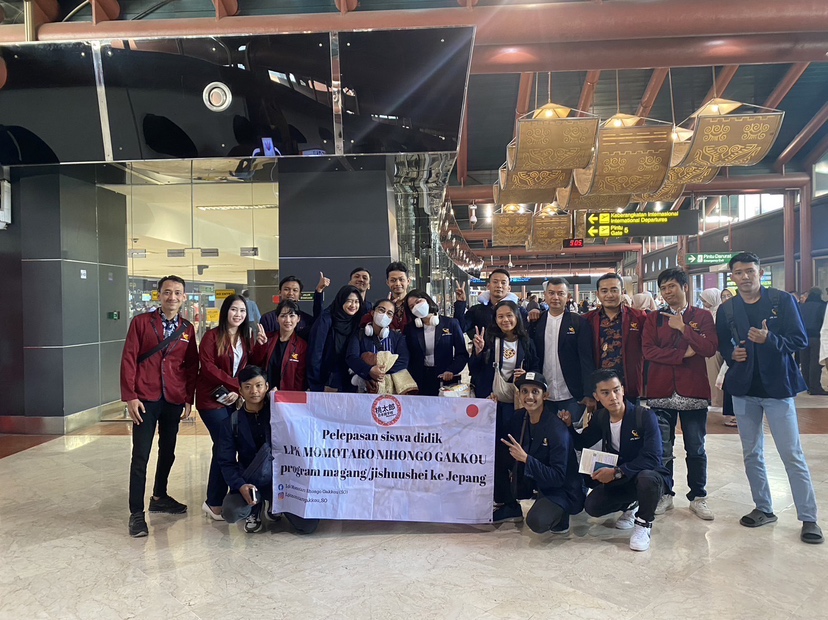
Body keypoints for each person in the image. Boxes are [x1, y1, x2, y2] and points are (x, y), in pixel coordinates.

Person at [716, 252, 822, 544]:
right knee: (752, 453)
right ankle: (763, 507)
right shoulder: (727, 309)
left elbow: (799, 340)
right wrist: (732, 354)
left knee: (791, 453)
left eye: (750, 271)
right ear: (732, 277)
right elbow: (722, 343)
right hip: (744, 390)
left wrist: (770, 339)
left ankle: (809, 517)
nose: (745, 277)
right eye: (739, 272)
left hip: (777, 389)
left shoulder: (781, 301)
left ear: (760, 272)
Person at [120, 275, 199, 537]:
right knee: (140, 455)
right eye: (167, 292)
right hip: (145, 398)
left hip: (173, 398)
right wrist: (130, 396)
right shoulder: (141, 323)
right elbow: (129, 358)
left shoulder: (187, 328)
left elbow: (191, 365)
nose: (172, 297)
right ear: (159, 295)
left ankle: (159, 496)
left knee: (168, 451)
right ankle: (136, 513)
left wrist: (189, 397)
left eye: (177, 293)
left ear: (184, 297)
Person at [560, 370, 671, 552]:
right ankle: (631, 504)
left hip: (648, 475)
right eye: (605, 393)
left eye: (616, 390)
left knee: (647, 478)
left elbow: (652, 457)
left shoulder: (644, 416)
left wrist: (616, 472)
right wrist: (569, 427)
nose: (613, 397)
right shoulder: (601, 417)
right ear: (596, 396)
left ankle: (643, 524)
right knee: (592, 506)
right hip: (622, 478)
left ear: (623, 390)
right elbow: (582, 442)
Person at [643, 267, 718, 520]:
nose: (667, 292)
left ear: (685, 287)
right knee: (663, 449)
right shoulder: (654, 319)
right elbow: (648, 351)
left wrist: (684, 328)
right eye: (663, 288)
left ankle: (698, 497)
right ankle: (665, 494)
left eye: (672, 286)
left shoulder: (702, 316)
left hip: (693, 391)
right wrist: (681, 354)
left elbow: (709, 348)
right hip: (661, 390)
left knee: (695, 448)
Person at [216, 365, 319, 535]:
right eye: (247, 387)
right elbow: (226, 462)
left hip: (281, 480)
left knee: (308, 525)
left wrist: (278, 402)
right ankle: (254, 509)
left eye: (259, 385)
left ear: (267, 387)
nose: (254, 391)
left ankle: (274, 505)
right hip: (250, 480)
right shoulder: (231, 423)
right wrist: (240, 485)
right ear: (240, 391)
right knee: (231, 512)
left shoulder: (282, 414)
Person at [196, 294, 268, 521]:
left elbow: (251, 366)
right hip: (211, 401)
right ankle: (214, 502)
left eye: (242, 311)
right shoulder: (211, 336)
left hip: (233, 399)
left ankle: (227, 495)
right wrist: (236, 385)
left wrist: (261, 346)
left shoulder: (245, 338)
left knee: (226, 446)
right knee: (222, 446)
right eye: (234, 309)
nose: (238, 314)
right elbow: (208, 367)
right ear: (225, 311)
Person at [469, 300, 540, 523]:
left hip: (517, 407)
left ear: (517, 317)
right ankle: (502, 500)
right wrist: (478, 352)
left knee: (513, 450)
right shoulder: (489, 340)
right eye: (500, 316)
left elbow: (537, 369)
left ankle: (515, 497)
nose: (505, 320)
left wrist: (526, 374)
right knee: (495, 452)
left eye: (509, 315)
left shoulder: (526, 342)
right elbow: (475, 370)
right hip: (492, 404)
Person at [498, 372, 585, 533]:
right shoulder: (519, 418)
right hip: (540, 481)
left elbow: (558, 477)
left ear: (545, 396)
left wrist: (526, 459)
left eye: (535, 392)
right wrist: (491, 407)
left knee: (537, 521)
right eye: (524, 391)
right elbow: (500, 439)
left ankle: (562, 514)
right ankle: (510, 506)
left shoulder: (557, 430)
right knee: (497, 456)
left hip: (562, 488)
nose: (529, 396)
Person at [528, 278, 595, 425]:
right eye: (551, 293)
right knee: (546, 433)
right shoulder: (537, 322)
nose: (555, 297)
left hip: (572, 394)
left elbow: (586, 359)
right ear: (545, 295)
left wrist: (589, 393)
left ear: (568, 296)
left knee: (571, 433)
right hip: (544, 393)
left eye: (560, 293)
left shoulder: (578, 322)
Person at [584, 273, 646, 402]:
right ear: (597, 294)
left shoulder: (639, 317)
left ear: (622, 292)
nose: (609, 295)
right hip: (600, 388)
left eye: (614, 290)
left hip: (629, 385)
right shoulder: (587, 319)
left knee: (631, 415)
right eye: (604, 291)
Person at [403, 290, 469, 396]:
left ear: (427, 300)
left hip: (445, 378)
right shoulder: (410, 329)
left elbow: (462, 354)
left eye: (418, 302)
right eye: (411, 307)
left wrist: (451, 370)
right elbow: (407, 356)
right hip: (419, 380)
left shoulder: (451, 323)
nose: (416, 307)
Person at [307, 285, 365, 392]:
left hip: (350, 381)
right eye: (349, 301)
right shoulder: (326, 320)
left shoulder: (357, 321)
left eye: (357, 302)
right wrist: (317, 386)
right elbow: (315, 354)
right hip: (327, 381)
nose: (353, 305)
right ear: (341, 300)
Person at [346, 299, 411, 392]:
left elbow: (404, 360)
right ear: (373, 313)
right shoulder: (359, 335)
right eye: (381, 310)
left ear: (392, 318)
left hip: (390, 389)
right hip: (364, 388)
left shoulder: (398, 338)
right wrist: (369, 371)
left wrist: (381, 374)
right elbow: (351, 357)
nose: (384, 315)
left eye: (389, 313)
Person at [454, 268, 528, 337]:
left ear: (509, 288)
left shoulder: (519, 311)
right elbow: (461, 328)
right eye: (495, 282)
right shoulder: (477, 310)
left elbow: (527, 336)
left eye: (503, 283)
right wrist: (460, 303)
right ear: (488, 286)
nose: (499, 286)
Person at [260, 274, 329, 341]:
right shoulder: (267, 319)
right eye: (286, 289)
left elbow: (319, 322)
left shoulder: (307, 320)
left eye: (295, 290)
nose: (290, 293)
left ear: (300, 295)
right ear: (280, 293)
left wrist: (319, 290)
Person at [265, 300, 308, 392]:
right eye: (283, 316)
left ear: (298, 319)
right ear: (277, 318)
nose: (288, 320)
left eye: (292, 316)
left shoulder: (301, 346)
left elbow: (300, 378)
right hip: (265, 394)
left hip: (288, 396)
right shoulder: (268, 340)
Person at [799, 287, 827, 395]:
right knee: (815, 364)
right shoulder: (822, 306)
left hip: (803, 338)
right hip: (816, 338)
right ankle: (815, 387)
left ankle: (807, 386)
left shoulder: (802, 307)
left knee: (805, 363)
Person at [385, 262, 412, 332]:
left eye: (401, 279)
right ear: (387, 283)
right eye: (393, 280)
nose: (397, 283)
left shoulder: (414, 303)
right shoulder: (382, 306)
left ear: (408, 281)